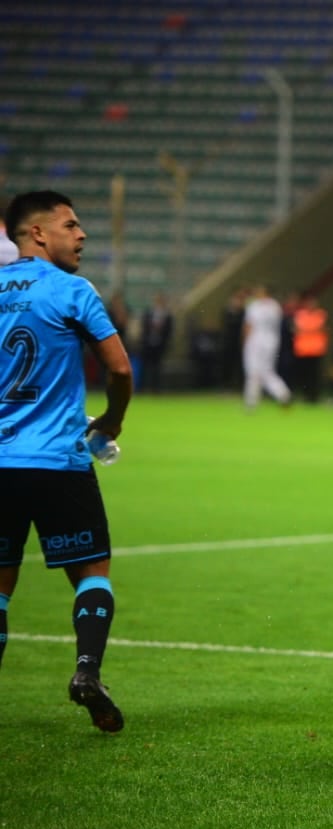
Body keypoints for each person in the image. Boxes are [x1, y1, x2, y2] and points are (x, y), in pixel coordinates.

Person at [0, 190, 133, 732]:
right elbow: (120, 370)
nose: (81, 235)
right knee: (91, 572)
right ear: (37, 234)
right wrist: (113, 420)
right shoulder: (73, 291)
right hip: (59, 461)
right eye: (71, 225)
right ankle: (87, 672)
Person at [242, 284, 291, 410]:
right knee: (267, 371)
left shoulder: (254, 305)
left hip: (255, 341)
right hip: (272, 342)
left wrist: (245, 342)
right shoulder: (275, 306)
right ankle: (282, 393)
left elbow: (249, 326)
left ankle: (251, 403)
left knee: (253, 372)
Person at [290, 293, 329, 404]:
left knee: (315, 375)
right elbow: (296, 330)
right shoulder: (300, 314)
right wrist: (312, 330)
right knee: (302, 374)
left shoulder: (321, 314)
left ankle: (314, 396)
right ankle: (304, 395)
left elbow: (323, 329)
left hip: (316, 349)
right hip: (302, 349)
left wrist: (307, 330)